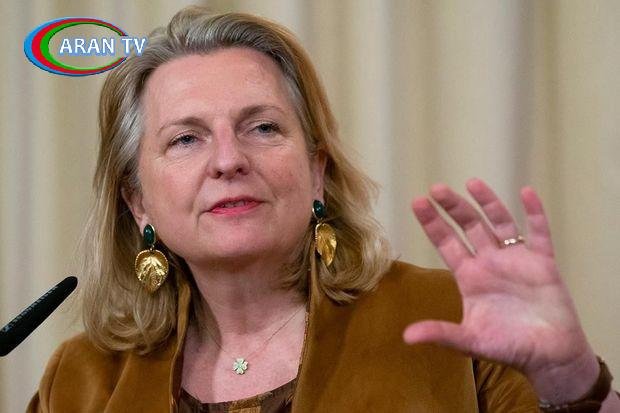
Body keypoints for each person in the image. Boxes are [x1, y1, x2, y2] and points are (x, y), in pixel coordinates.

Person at [27, 6, 619, 413]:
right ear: (138, 201)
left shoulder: (452, 318)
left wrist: (571, 382)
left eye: (262, 127)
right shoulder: (81, 379)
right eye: (186, 138)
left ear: (317, 170)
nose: (228, 160)